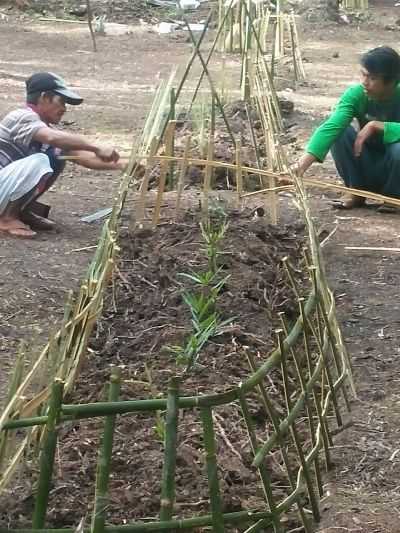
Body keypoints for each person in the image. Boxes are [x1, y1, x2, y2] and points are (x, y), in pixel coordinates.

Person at [0, 72, 124, 238]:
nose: (64, 109)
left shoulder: (45, 128)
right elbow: (52, 137)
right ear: (44, 97)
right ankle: (7, 218)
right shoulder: (21, 116)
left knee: (58, 156)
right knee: (41, 160)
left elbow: (83, 157)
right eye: (62, 101)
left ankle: (22, 210)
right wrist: (95, 145)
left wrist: (124, 165)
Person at [295, 46, 400, 209]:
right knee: (341, 132)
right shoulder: (357, 94)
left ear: (392, 81)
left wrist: (379, 126)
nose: (364, 82)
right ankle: (356, 190)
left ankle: (394, 198)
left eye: (372, 78)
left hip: (395, 169)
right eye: (363, 75)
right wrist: (300, 167)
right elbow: (331, 126)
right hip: (368, 164)